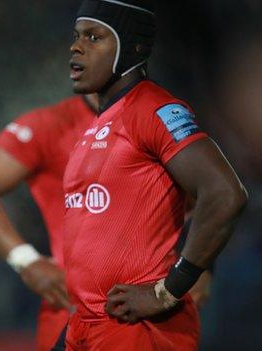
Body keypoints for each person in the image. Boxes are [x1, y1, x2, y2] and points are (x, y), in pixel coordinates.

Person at [62, 0, 247, 350]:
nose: (76, 46)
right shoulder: (99, 125)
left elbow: (224, 193)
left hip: (137, 327)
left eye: (94, 37)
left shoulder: (154, 108)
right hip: (88, 324)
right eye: (76, 36)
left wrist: (170, 289)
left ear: (132, 49)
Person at [0, 94, 97, 351]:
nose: (77, 51)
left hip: (154, 305)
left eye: (94, 48)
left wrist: (189, 273)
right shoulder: (52, 123)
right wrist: (26, 260)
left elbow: (192, 195)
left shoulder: (158, 117)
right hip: (71, 304)